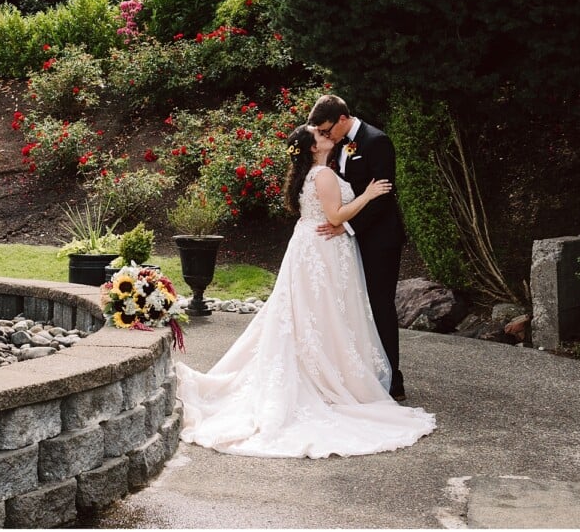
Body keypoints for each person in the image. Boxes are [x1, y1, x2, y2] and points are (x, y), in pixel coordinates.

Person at [175, 125, 435, 458]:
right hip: (322, 250)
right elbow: (335, 215)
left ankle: (318, 370)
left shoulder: (314, 174)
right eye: (321, 134)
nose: (327, 134)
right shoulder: (322, 175)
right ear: (313, 147)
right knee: (321, 314)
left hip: (312, 247)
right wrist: (368, 195)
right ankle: (322, 378)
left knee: (311, 316)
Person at [308, 94, 407, 400]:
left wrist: (346, 226)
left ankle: (393, 380)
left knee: (379, 305)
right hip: (347, 241)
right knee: (351, 306)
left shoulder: (376, 141)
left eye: (328, 130)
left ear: (342, 119)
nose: (326, 136)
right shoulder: (337, 145)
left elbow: (382, 197)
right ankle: (360, 374)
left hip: (379, 239)